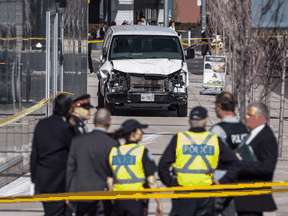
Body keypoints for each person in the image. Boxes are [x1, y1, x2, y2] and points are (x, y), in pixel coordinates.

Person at [158, 106, 242, 216]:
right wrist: (223, 181)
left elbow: (162, 166)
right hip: (206, 194)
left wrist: (171, 183)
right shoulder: (214, 140)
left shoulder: (179, 139)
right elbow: (236, 163)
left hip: (183, 192)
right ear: (205, 121)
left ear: (189, 121)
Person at [66, 108, 119, 216]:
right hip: (103, 195)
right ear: (109, 122)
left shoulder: (78, 141)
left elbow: (70, 169)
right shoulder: (113, 144)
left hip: (81, 193)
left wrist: (68, 192)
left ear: (94, 121)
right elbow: (117, 171)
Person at [30, 93, 77, 216]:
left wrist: (35, 179)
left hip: (44, 181)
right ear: (69, 110)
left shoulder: (41, 124)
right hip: (59, 182)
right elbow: (76, 147)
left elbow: (34, 154)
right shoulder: (66, 128)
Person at [108, 119, 162, 216]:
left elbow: (110, 181)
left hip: (118, 200)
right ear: (134, 133)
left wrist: (112, 201)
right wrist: (159, 203)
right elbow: (151, 180)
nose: (142, 132)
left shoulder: (114, 152)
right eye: (140, 130)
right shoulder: (141, 152)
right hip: (136, 200)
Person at [234, 102, 278, 216]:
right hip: (244, 197)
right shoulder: (252, 133)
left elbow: (267, 167)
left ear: (261, 117)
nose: (246, 117)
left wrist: (241, 164)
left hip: (253, 198)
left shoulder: (266, 137)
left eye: (250, 115)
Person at [210, 92, 249, 216]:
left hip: (220, 179)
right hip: (239, 180)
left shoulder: (218, 130)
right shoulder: (245, 129)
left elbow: (210, 157)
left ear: (219, 107)